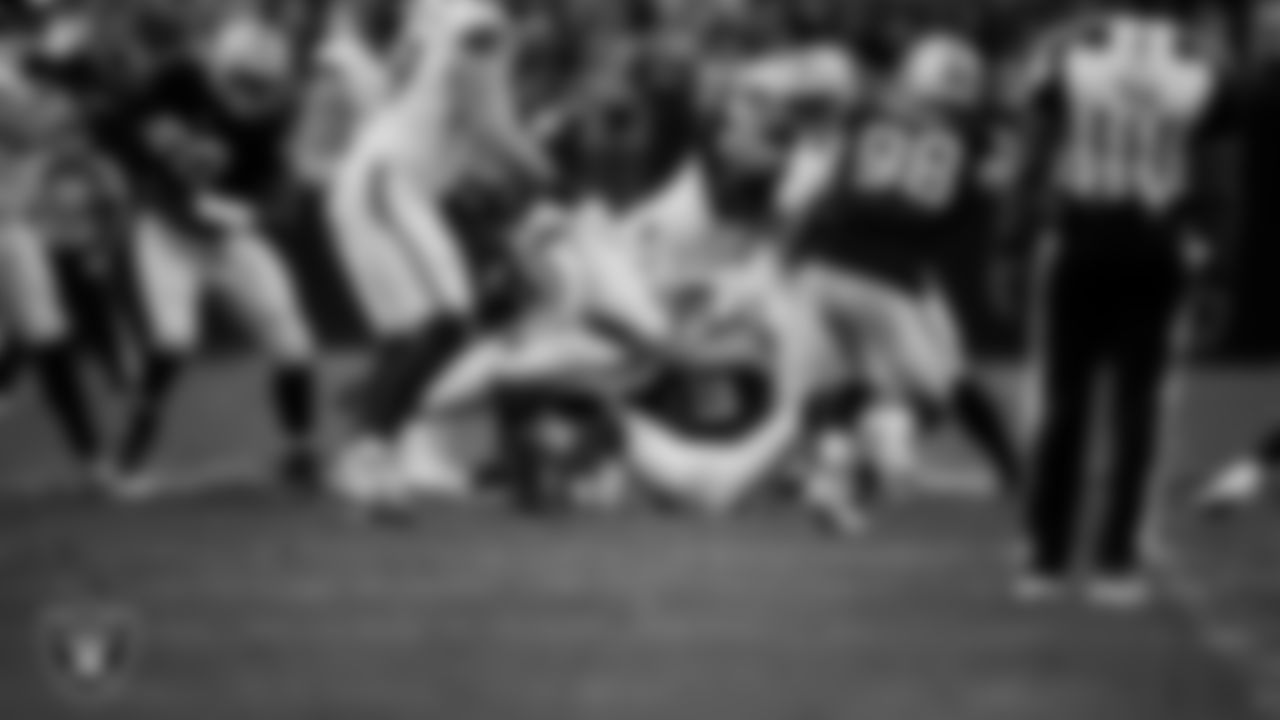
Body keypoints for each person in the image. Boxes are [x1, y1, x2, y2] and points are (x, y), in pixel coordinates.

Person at [1010, 3, 1238, 607]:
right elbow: (1217, 180)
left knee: (1064, 405)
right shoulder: (1201, 61)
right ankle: (1116, 560)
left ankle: (1046, 557)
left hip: (1082, 236)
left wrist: (1013, 242)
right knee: (1138, 409)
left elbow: (1033, 155)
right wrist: (1213, 266)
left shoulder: (1069, 48)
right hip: (1154, 242)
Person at [69, 11, 322, 498]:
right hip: (166, 230)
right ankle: (129, 458)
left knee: (293, 339)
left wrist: (251, 211)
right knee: (173, 340)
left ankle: (301, 449)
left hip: (223, 237)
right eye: (242, 81)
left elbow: (268, 191)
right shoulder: (177, 80)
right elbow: (122, 129)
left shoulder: (268, 120)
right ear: (219, 65)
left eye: (259, 85)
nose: (250, 95)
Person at [780, 31, 1023, 504]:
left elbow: (824, 181)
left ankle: (833, 467)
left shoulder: (865, 111)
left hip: (823, 262)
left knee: (828, 388)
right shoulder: (976, 139)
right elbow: (972, 213)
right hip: (892, 275)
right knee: (936, 390)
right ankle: (873, 455)